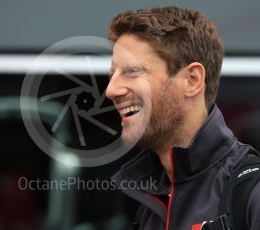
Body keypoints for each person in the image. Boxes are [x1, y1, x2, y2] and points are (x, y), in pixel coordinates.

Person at [106, 6, 260, 230]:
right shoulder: (149, 204)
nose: (111, 90)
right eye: (113, 75)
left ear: (192, 80)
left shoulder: (252, 194)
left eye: (132, 72)